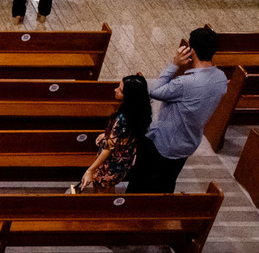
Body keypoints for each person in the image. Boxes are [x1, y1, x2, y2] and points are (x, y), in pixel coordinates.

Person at [127, 27, 229, 194]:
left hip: (164, 141)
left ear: (191, 51)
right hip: (189, 140)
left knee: (140, 180)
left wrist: (174, 64)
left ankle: (132, 209)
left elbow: (154, 91)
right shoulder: (221, 78)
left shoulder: (185, 83)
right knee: (167, 180)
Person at [80, 75, 151, 193]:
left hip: (111, 163)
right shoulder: (138, 111)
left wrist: (90, 170)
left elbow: (108, 148)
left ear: (129, 96)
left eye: (120, 90)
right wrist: (108, 134)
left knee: (101, 190)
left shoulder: (123, 119)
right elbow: (124, 135)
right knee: (107, 188)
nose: (115, 90)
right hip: (123, 160)